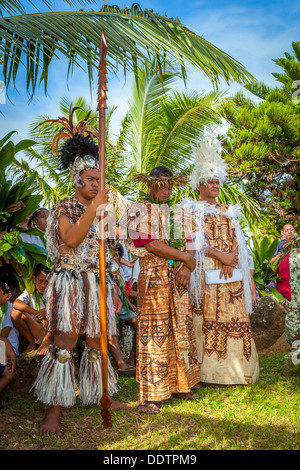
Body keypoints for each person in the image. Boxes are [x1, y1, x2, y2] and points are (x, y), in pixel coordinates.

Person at [32, 132, 130, 437]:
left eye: (98, 179)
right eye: (89, 179)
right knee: (65, 343)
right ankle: (53, 410)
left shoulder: (103, 212)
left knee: (95, 344)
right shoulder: (63, 208)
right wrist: (94, 208)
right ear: (76, 179)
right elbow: (72, 240)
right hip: (71, 283)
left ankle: (99, 396)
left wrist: (113, 286)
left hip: (96, 283)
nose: (95, 184)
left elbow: (107, 253)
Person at [119, 166, 201, 414]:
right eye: (161, 184)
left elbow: (192, 240)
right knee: (154, 333)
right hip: (153, 277)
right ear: (149, 185)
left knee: (181, 329)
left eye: (170, 185)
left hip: (179, 279)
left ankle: (181, 385)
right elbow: (149, 244)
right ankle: (148, 395)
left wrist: (186, 267)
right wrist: (185, 260)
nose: (166, 190)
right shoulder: (138, 210)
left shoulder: (179, 213)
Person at [187, 136, 259, 386]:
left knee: (236, 318)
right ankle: (208, 375)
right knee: (204, 317)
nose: (215, 185)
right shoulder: (190, 210)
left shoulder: (229, 210)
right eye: (210, 181)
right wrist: (222, 257)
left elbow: (240, 239)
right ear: (199, 184)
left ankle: (239, 373)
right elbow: (194, 242)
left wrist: (232, 260)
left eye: (218, 181)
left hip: (231, 273)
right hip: (204, 271)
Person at [11, 264, 52, 356]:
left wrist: (47, 311)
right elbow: (16, 303)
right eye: (40, 281)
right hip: (37, 328)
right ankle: (32, 343)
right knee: (15, 313)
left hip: (50, 331)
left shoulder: (53, 292)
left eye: (47, 282)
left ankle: (46, 342)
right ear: (34, 279)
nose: (43, 285)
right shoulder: (31, 291)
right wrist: (38, 314)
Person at [0, 273, 20, 393]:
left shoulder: (9, 307)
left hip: (4, 351)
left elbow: (5, 333)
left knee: (7, 373)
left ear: (7, 296)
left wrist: (5, 343)